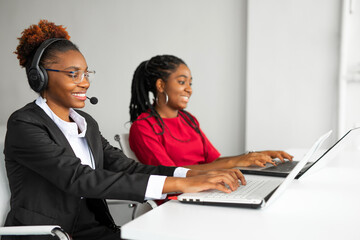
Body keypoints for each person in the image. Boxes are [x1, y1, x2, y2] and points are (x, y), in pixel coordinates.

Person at [3, 20, 244, 240]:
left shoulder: (86, 123)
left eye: (86, 73)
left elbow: (128, 167)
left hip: (91, 230)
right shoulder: (24, 124)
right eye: (73, 74)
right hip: (48, 234)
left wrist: (188, 175)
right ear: (40, 78)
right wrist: (177, 185)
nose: (85, 82)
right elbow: (79, 178)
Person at [129, 55, 294, 170]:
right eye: (181, 82)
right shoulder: (143, 127)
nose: (189, 89)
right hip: (177, 199)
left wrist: (253, 157)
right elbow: (169, 174)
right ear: (161, 85)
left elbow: (213, 162)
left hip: (207, 186)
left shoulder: (188, 120)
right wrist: (236, 161)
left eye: (190, 83)